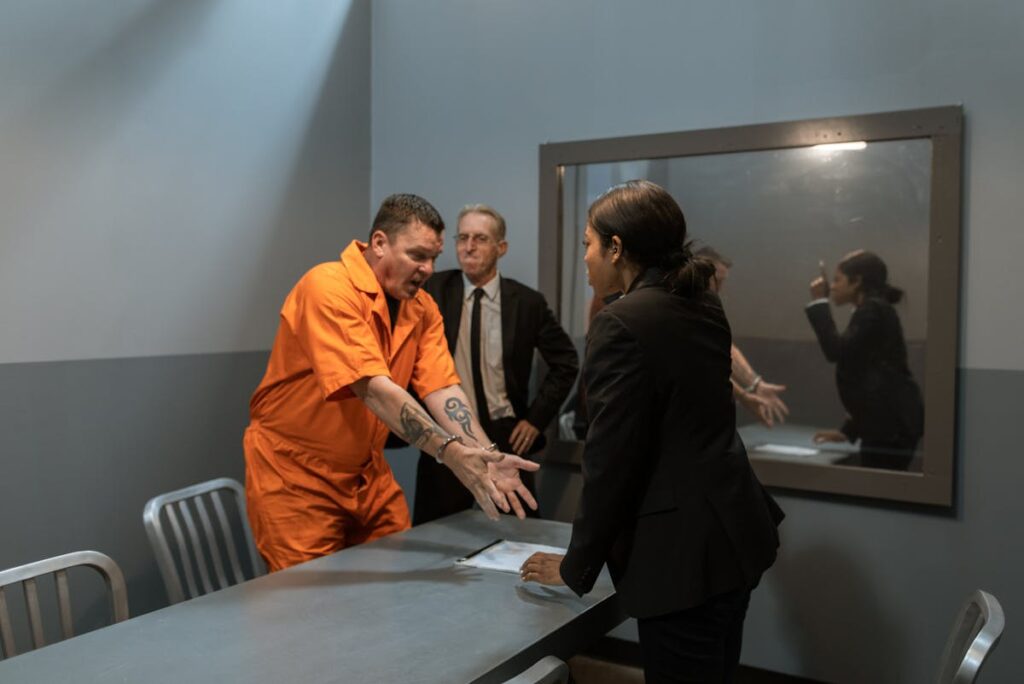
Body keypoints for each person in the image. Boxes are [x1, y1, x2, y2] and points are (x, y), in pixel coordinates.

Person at [520, 180, 783, 683]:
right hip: (732, 535)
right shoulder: (702, 301)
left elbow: (611, 461)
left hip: (681, 559)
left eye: (588, 245)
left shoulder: (621, 321)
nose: (585, 259)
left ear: (616, 248)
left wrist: (576, 565)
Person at [243, 193, 538, 572]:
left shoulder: (422, 308)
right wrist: (450, 453)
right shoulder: (328, 287)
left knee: (393, 587)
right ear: (379, 243)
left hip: (368, 475)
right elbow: (374, 389)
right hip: (296, 478)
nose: (429, 268)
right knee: (306, 608)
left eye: (433, 258)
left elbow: (442, 389)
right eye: (417, 256)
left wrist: (485, 454)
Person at [413, 204, 578, 524]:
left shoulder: (527, 302)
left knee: (520, 529)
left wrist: (535, 419)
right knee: (435, 531)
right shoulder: (431, 290)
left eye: (480, 238)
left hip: (504, 435)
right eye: (462, 237)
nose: (469, 247)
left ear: (501, 247)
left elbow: (566, 362)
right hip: (447, 435)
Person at [806, 250, 924, 470]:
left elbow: (836, 351)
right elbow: (869, 376)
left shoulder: (872, 309)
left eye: (837, 279)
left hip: (891, 429)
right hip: (891, 426)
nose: (832, 287)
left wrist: (820, 302)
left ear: (857, 281)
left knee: (881, 490)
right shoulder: (875, 309)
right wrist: (849, 431)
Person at [694, 246, 789, 428]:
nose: (721, 289)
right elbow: (701, 361)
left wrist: (755, 384)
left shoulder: (706, 307)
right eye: (718, 281)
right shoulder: (680, 306)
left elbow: (724, 346)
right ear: (699, 275)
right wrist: (744, 396)